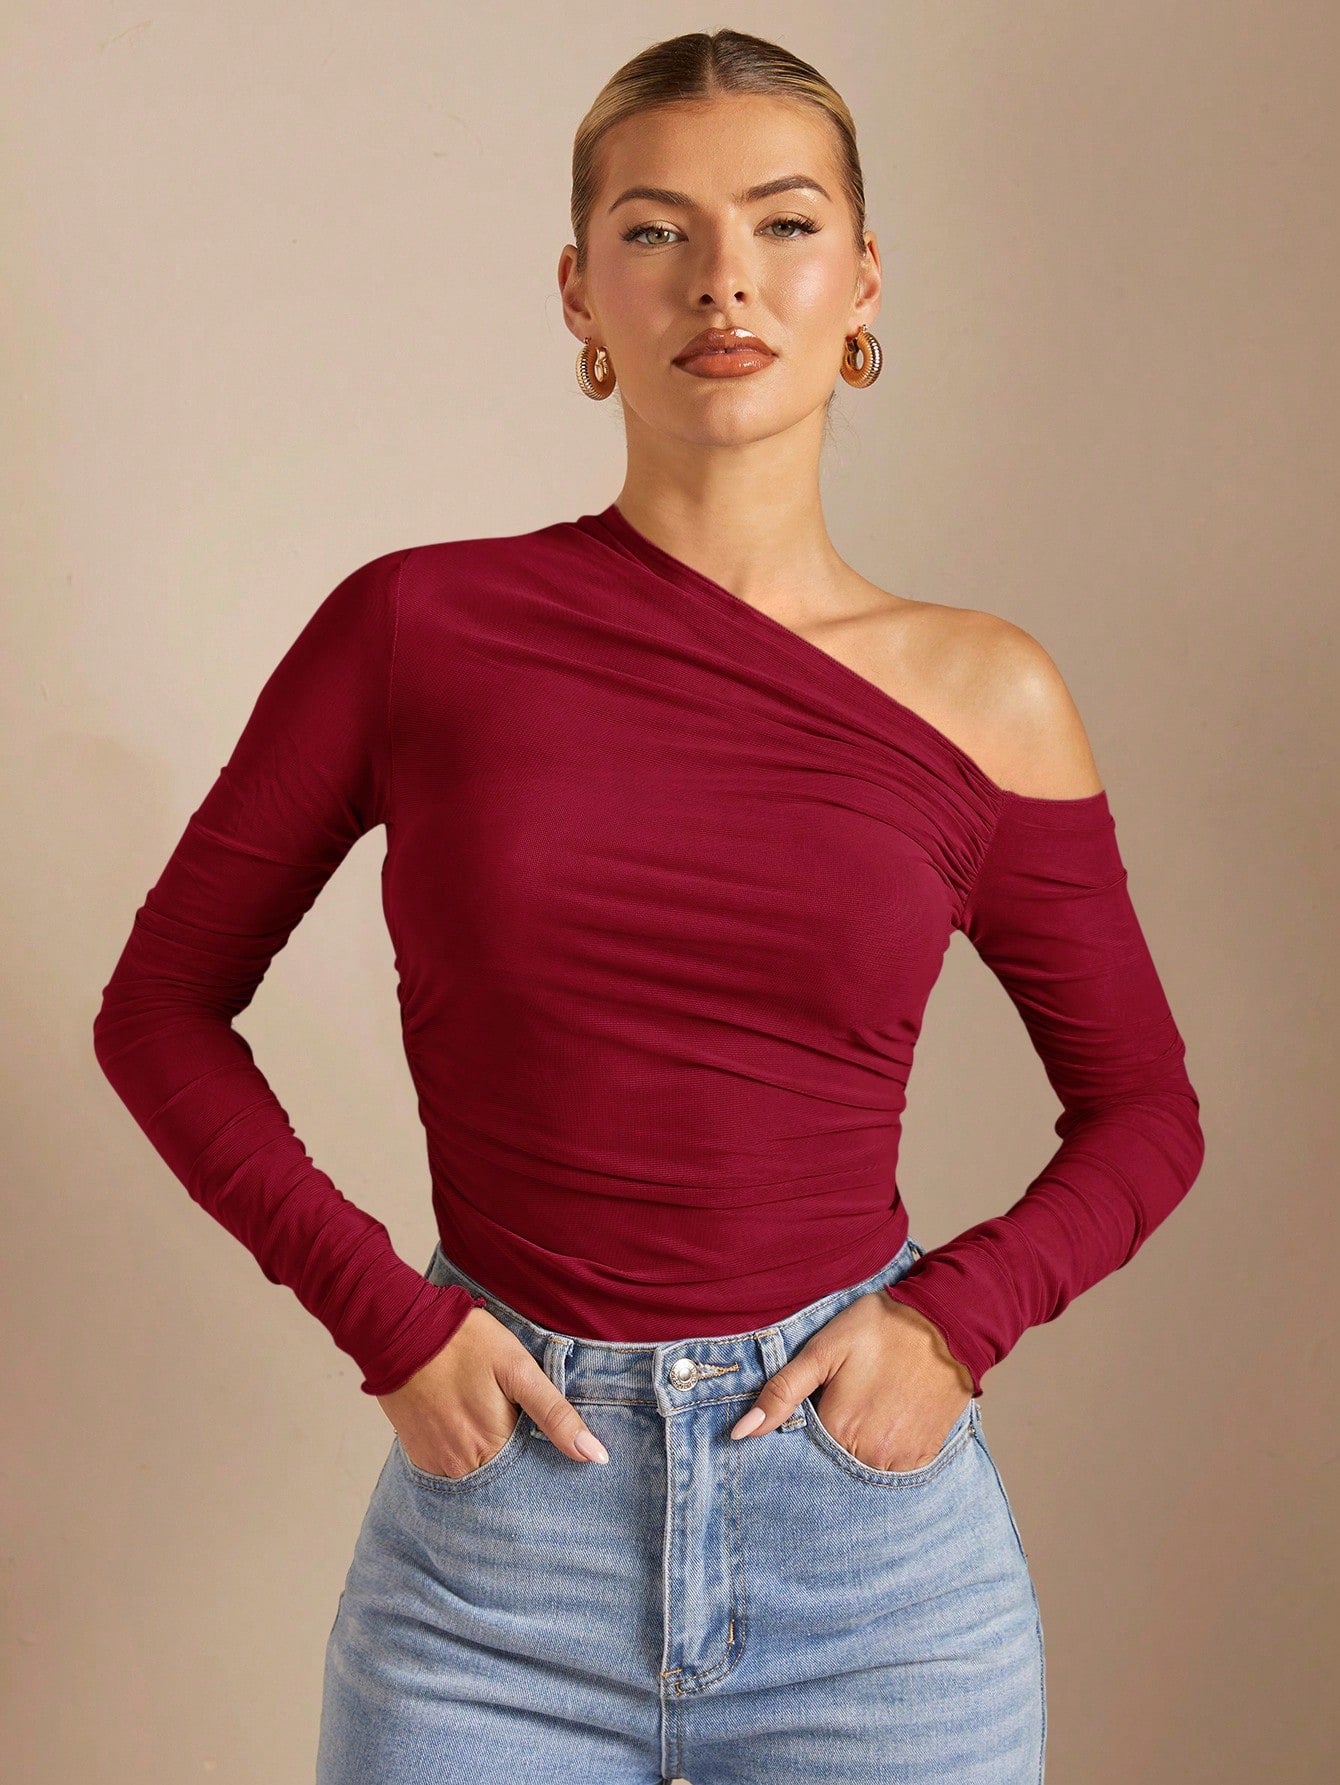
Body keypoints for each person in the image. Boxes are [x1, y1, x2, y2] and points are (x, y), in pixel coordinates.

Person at [91, 27, 1204, 1785]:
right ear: (579, 291)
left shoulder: (987, 693)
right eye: (657, 231)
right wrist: (385, 1317)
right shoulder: (416, 630)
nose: (722, 280)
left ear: (862, 281)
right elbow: (156, 1008)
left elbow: (1147, 1109)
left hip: (869, 1567)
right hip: (497, 1551)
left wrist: (951, 1322)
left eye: (783, 224)